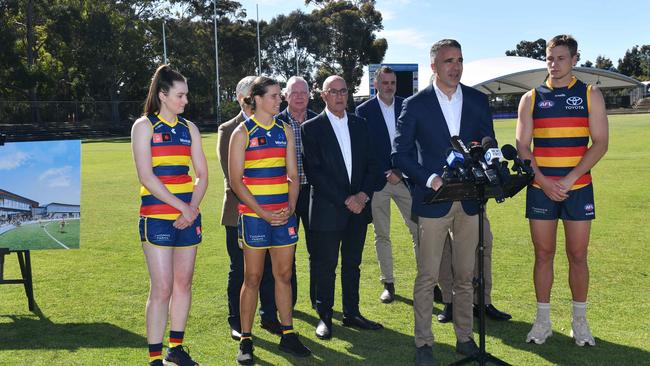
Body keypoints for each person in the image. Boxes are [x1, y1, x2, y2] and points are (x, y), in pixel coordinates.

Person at [392, 39, 495, 366]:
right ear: (434, 66)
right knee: (427, 277)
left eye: (460, 60)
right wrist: (429, 178)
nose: (456, 66)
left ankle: (464, 338)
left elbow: (488, 144)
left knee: (466, 276)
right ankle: (424, 343)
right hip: (432, 201)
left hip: (469, 202)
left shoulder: (478, 101)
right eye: (449, 61)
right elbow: (400, 154)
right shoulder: (416, 104)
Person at [516, 34, 608, 347]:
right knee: (543, 254)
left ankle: (579, 323)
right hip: (541, 188)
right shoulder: (530, 97)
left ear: (574, 59)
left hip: (578, 188)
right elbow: (522, 146)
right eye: (550, 58)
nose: (554, 64)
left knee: (577, 255)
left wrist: (568, 180)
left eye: (561, 58)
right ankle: (542, 323)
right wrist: (542, 180)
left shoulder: (590, 94)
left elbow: (601, 143)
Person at [229, 76, 311, 365]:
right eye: (275, 96)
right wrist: (263, 213)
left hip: (283, 214)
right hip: (255, 217)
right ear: (258, 99)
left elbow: (293, 174)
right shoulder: (242, 132)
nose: (280, 100)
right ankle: (246, 339)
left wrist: (289, 206)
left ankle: (288, 334)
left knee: (284, 275)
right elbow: (236, 182)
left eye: (280, 96)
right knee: (252, 277)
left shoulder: (285, 130)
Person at [131, 64, 208, 366]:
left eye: (186, 95)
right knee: (161, 287)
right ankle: (154, 358)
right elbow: (147, 177)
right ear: (163, 95)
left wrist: (191, 210)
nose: (185, 101)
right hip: (158, 217)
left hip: (187, 218)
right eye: (180, 95)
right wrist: (183, 208)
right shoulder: (144, 127)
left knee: (183, 283)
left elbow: (202, 174)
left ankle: (175, 348)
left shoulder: (190, 129)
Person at [302, 75, 382, 341]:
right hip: (328, 209)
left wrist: (361, 196)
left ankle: (352, 312)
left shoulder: (361, 124)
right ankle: (325, 317)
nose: (339, 96)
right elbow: (315, 173)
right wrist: (346, 199)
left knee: (352, 264)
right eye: (333, 91)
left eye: (343, 91)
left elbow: (373, 164)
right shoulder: (312, 128)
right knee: (325, 266)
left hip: (358, 209)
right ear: (323, 96)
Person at [217, 76, 284, 342]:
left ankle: (269, 316)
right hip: (239, 213)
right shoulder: (229, 129)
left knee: (269, 268)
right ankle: (236, 320)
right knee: (240, 270)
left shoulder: (275, 126)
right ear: (242, 98)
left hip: (271, 211)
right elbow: (234, 175)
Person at [355, 66, 418, 304]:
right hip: (378, 181)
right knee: (382, 234)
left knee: (418, 231)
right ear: (376, 84)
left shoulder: (407, 105)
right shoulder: (364, 110)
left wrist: (400, 171)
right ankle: (388, 283)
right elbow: (364, 148)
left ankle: (429, 283)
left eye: (392, 83)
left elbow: (413, 142)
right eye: (385, 83)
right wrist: (385, 171)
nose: (389, 87)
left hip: (405, 179)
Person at [275, 76, 318, 308]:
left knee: (316, 250)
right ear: (285, 96)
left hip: (314, 194)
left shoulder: (319, 121)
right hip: (285, 194)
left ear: (310, 95)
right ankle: (287, 302)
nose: (300, 96)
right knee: (286, 253)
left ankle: (317, 301)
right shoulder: (276, 123)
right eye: (294, 92)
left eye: (304, 92)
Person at [436, 216, 512, 322]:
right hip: (445, 206)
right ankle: (450, 301)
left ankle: (482, 302)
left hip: (474, 203)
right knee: (445, 247)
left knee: (484, 242)